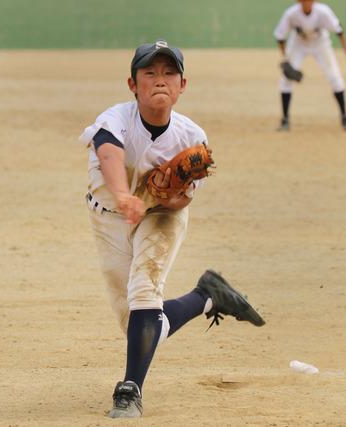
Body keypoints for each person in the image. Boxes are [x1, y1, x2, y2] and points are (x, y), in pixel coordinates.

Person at [79, 39, 265, 418]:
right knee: (136, 324)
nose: (159, 80)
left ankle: (130, 390)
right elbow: (108, 152)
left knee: (145, 289)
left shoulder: (192, 138)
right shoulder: (115, 119)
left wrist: (166, 194)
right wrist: (123, 193)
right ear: (133, 85)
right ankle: (207, 296)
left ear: (183, 86)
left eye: (169, 73)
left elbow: (184, 200)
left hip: (161, 218)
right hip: (107, 218)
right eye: (149, 73)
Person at [274, 0, 346, 132]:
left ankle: (345, 117)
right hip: (298, 45)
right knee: (286, 81)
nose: (307, 2)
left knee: (335, 78)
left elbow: (338, 30)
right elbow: (279, 36)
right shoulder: (291, 14)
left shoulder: (323, 12)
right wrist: (285, 58)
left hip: (320, 44)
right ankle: (285, 119)